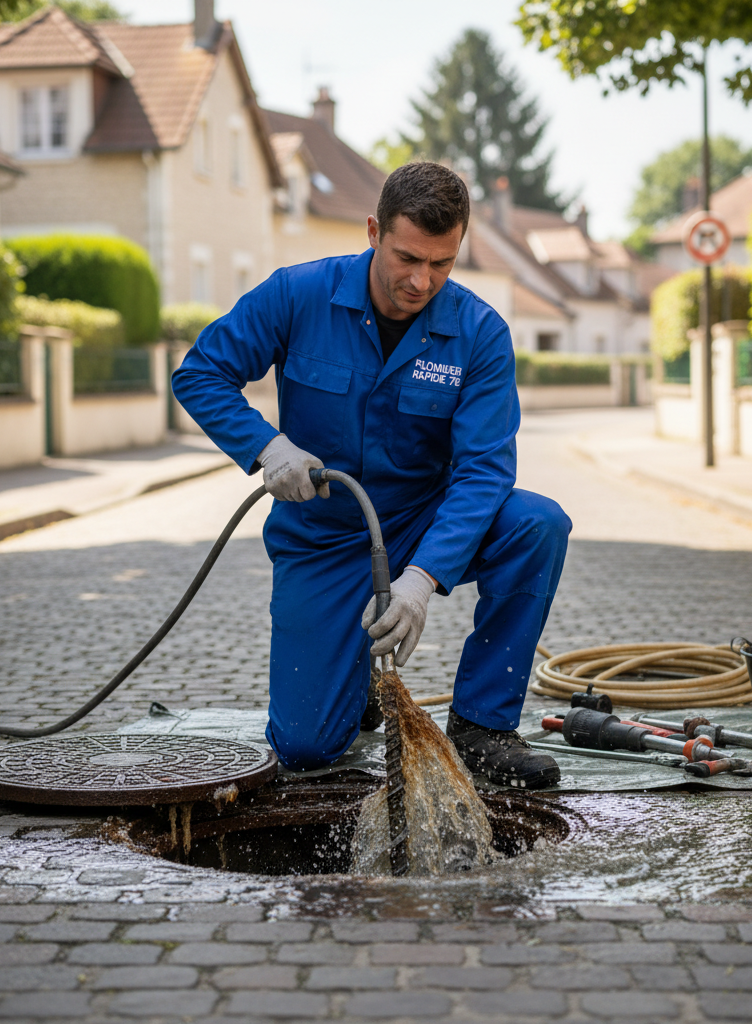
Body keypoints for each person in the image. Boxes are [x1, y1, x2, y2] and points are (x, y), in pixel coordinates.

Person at [172, 161, 571, 789]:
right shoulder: (297, 294)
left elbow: (484, 471)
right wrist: (265, 446)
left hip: (424, 524)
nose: (422, 281)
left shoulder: (478, 333)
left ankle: (482, 724)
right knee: (306, 748)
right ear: (372, 231)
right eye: (408, 258)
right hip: (323, 538)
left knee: (537, 524)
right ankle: (348, 684)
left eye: (442, 263)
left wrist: (423, 577)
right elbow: (199, 373)